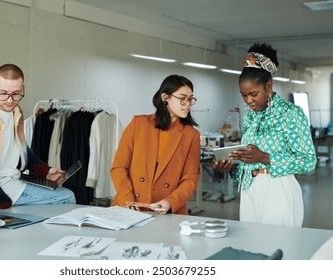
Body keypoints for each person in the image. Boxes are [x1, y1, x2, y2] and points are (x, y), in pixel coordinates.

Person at [0, 64, 75, 217]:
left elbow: (20, 150)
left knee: (62, 196)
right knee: (67, 197)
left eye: (16, 94)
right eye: (3, 93)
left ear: (23, 89)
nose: (10, 100)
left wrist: (45, 171)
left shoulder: (16, 112)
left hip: (15, 180)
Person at [213, 43, 316, 227]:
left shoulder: (290, 113)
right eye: (243, 95)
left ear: (268, 86)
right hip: (248, 189)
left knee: (279, 248)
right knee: (253, 248)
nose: (248, 101)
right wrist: (231, 168)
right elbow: (248, 161)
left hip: (277, 188)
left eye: (253, 94)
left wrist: (265, 157)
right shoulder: (250, 117)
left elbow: (308, 160)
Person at [110, 74, 201, 215]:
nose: (188, 104)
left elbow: (190, 178)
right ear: (165, 98)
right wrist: (127, 199)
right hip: (130, 207)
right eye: (183, 98)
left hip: (167, 211)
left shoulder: (191, 135)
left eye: (190, 99)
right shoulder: (138, 124)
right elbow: (119, 167)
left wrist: (171, 202)